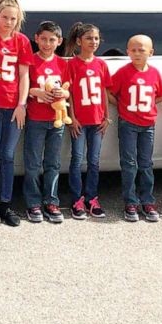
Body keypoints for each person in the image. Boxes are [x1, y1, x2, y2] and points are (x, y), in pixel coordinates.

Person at [0, 0, 32, 227]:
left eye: (13, 18)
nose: (8, 22)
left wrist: (22, 105)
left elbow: (24, 75)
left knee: (8, 156)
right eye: (4, 17)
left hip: (13, 107)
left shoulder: (22, 41)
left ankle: (6, 204)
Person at [108, 34, 162, 223]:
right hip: (127, 124)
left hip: (148, 124)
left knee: (146, 163)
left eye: (141, 50)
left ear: (151, 52)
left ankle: (148, 201)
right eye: (132, 50)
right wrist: (120, 105)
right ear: (127, 52)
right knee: (129, 164)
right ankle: (130, 202)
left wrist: (150, 105)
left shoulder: (155, 73)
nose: (136, 53)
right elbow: (109, 91)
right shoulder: (123, 72)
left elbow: (161, 95)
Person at [22, 20, 71, 224]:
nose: (47, 43)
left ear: (59, 41)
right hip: (35, 119)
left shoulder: (62, 63)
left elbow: (69, 90)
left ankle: (51, 201)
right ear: (36, 39)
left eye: (52, 40)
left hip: (56, 122)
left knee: (53, 163)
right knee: (33, 164)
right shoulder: (30, 61)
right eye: (43, 39)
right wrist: (38, 92)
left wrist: (63, 92)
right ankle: (33, 202)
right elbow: (24, 87)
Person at [64, 22, 111, 220]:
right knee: (76, 160)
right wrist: (72, 118)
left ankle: (92, 197)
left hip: (97, 120)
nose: (93, 42)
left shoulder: (101, 64)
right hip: (80, 122)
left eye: (96, 38)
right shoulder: (71, 64)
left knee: (94, 161)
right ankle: (77, 199)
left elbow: (105, 92)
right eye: (89, 38)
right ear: (78, 41)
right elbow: (70, 95)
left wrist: (107, 117)